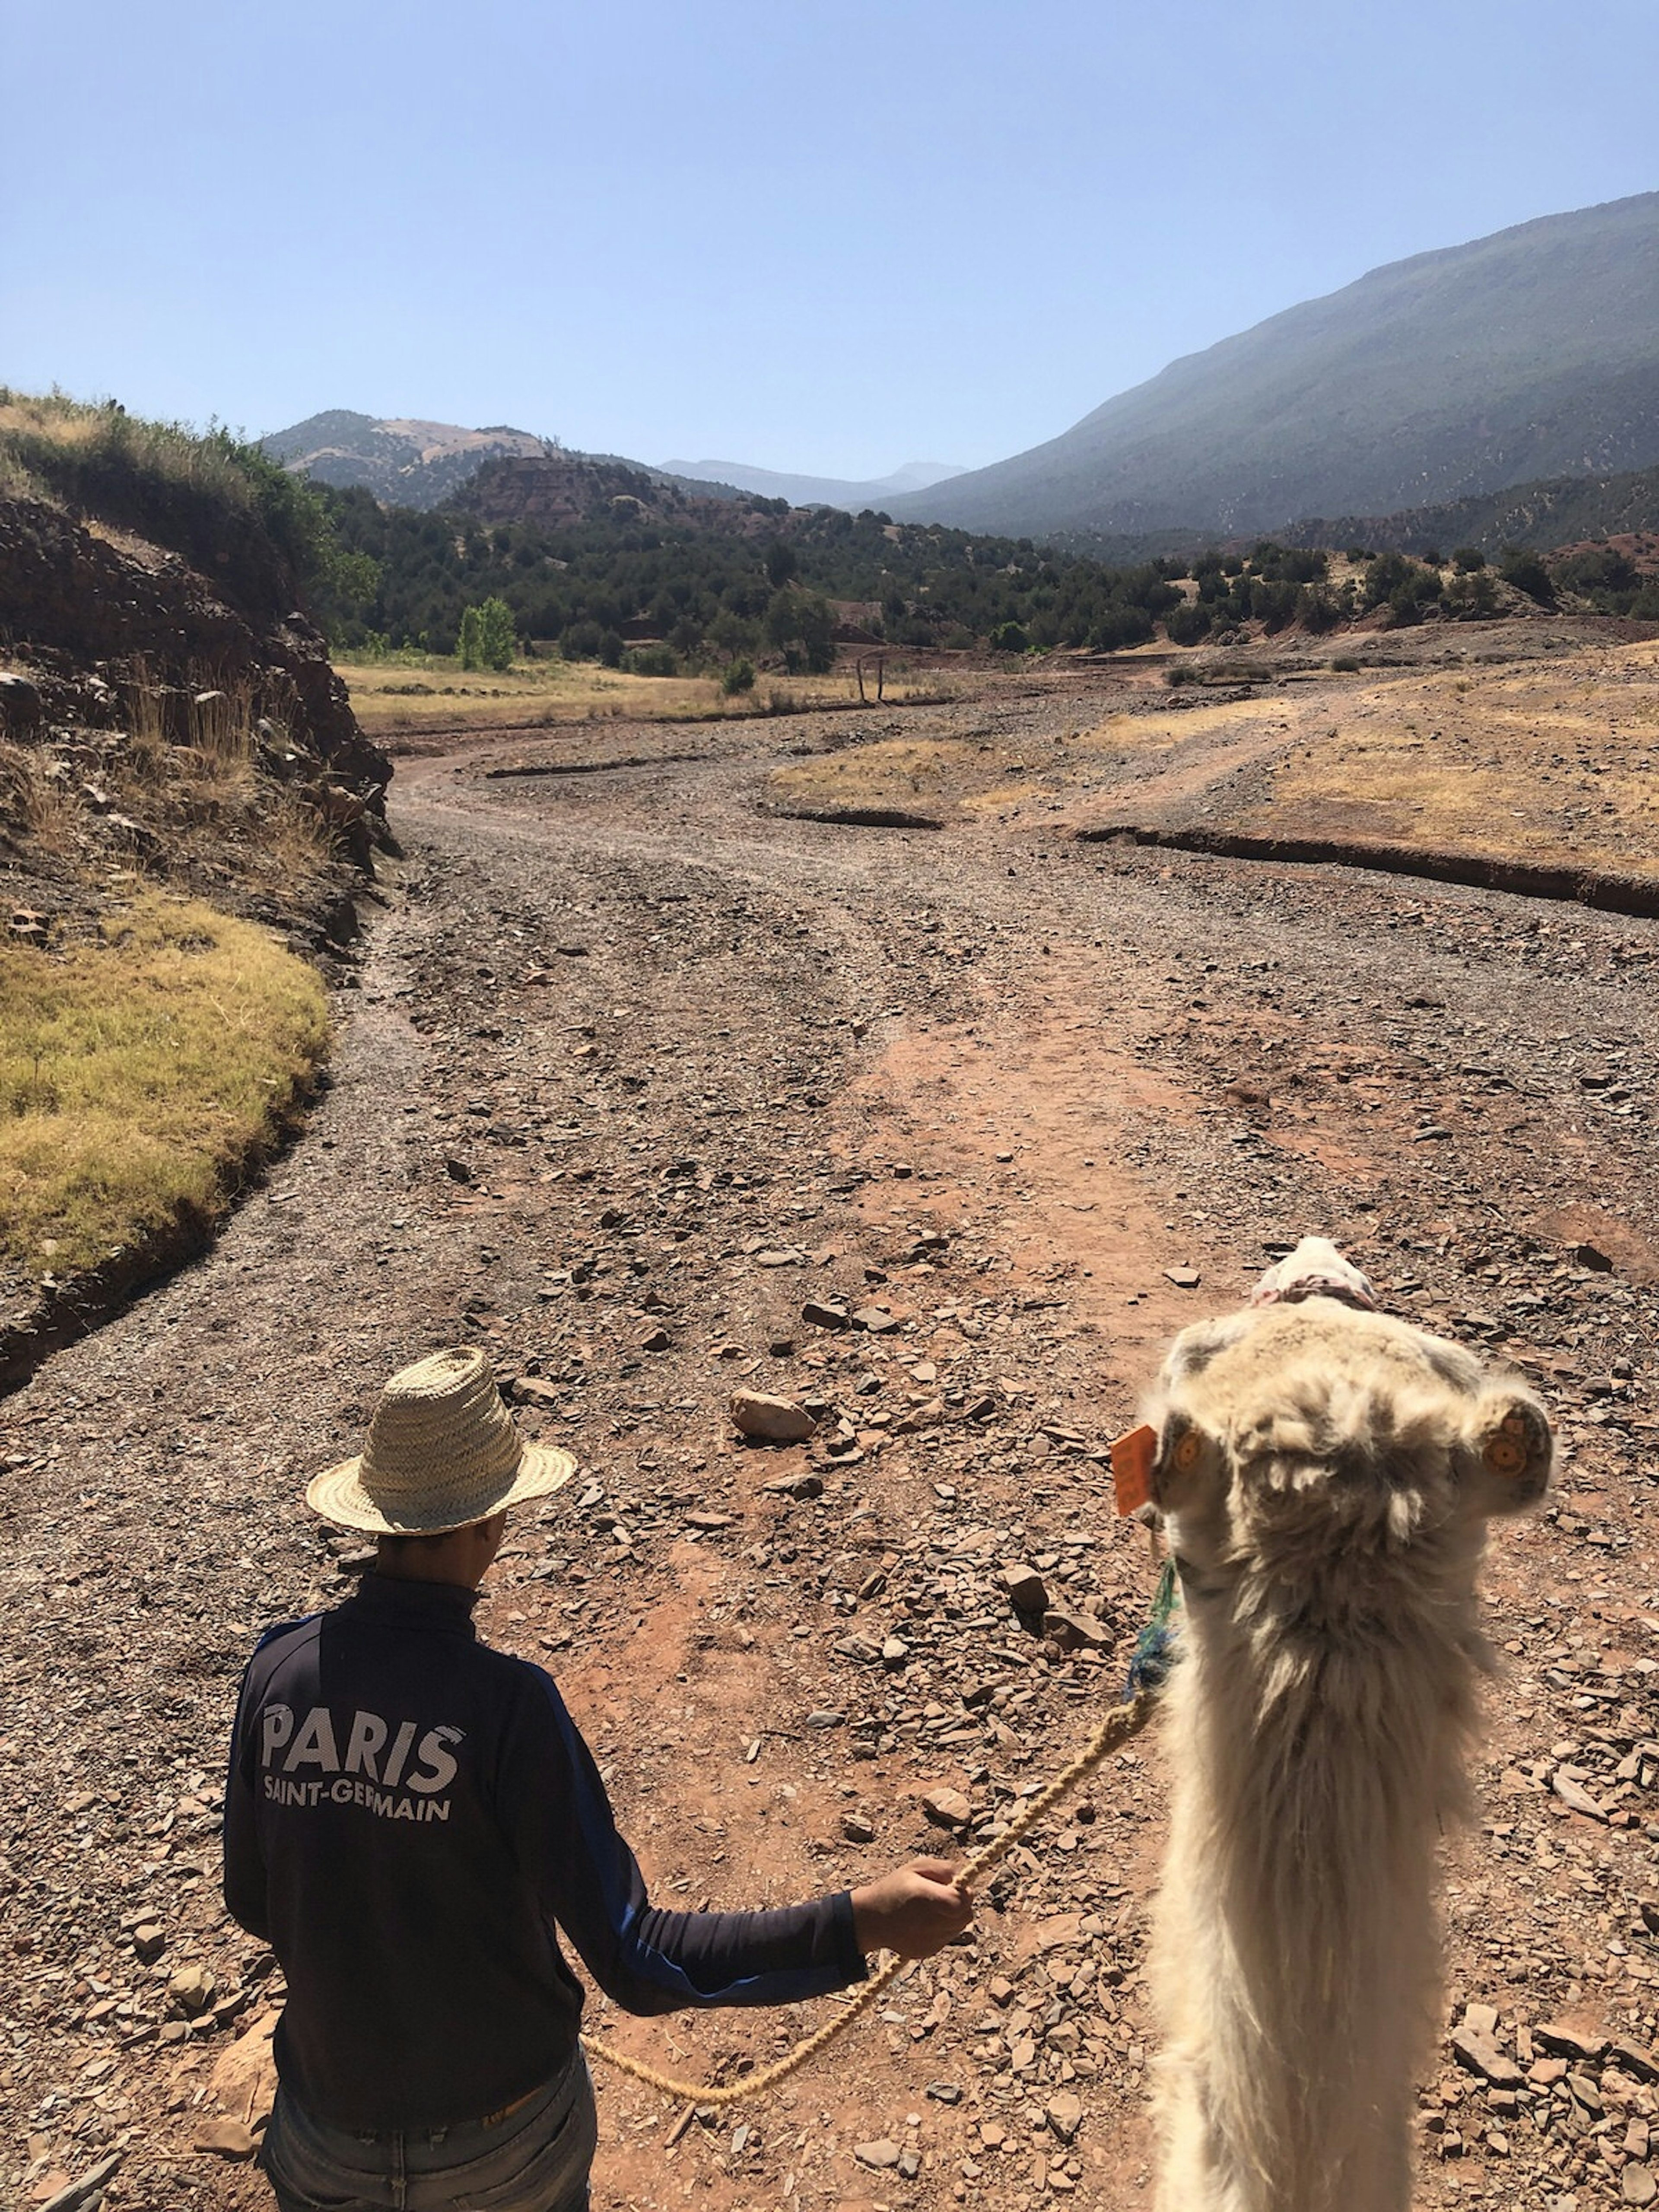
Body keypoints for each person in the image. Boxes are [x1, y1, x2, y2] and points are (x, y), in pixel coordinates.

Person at [224, 1346, 973, 2212]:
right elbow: (637, 1959)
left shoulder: (277, 1669)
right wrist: (860, 1920)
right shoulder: (507, 1706)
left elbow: (254, 1900)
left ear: (374, 1517)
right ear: (493, 1523)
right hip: (503, 2150)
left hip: (327, 2144)